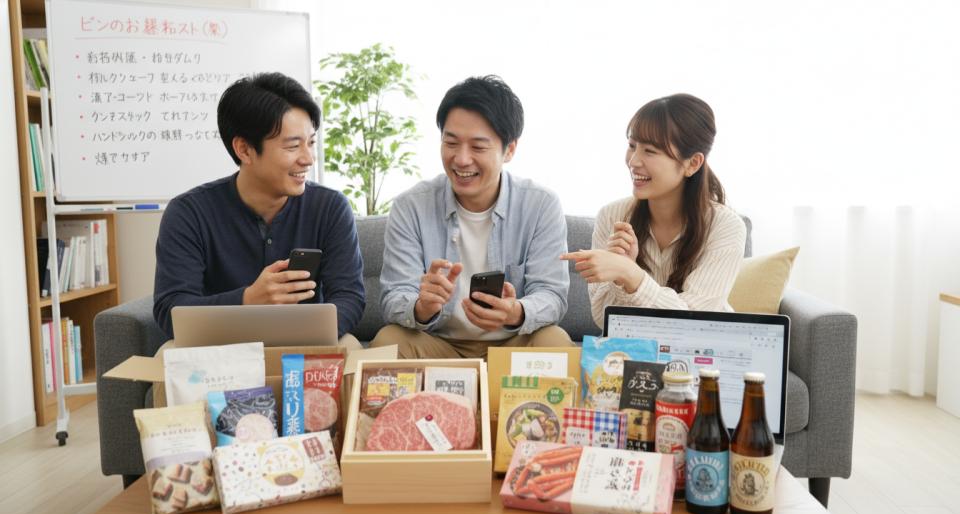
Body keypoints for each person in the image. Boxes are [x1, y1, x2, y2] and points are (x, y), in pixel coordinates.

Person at [153, 72, 365, 347]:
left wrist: (303, 335)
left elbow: (349, 297)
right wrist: (247, 300)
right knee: (168, 353)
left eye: (311, 142)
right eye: (293, 146)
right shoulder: (189, 213)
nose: (308, 159)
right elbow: (171, 309)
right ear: (244, 150)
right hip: (220, 347)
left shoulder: (330, 207)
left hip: (307, 345)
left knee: (349, 346)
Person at [370, 75, 572, 359]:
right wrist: (421, 307)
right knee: (387, 342)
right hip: (438, 345)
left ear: (509, 150)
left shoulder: (540, 205)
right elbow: (394, 296)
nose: (462, 159)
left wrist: (515, 312)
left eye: (478, 147)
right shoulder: (410, 206)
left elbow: (551, 294)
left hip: (511, 345)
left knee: (555, 342)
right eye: (451, 142)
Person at [562, 94, 746, 328]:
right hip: (631, 346)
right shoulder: (612, 216)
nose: (633, 161)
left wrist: (631, 275)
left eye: (650, 151)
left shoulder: (725, 226)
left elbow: (695, 322)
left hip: (700, 349)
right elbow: (603, 319)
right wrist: (621, 280)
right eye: (632, 146)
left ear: (693, 163)